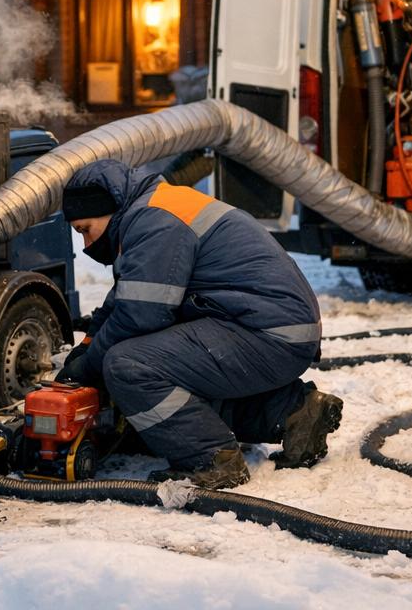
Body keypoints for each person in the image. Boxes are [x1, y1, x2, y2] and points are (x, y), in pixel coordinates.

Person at [56, 159, 343, 489]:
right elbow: (123, 300)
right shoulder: (153, 209)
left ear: (108, 208)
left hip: (266, 334)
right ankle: (294, 414)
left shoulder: (155, 222)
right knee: (174, 370)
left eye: (85, 230)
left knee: (129, 366)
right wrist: (86, 350)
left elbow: (141, 315)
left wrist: (91, 367)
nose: (87, 245)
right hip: (274, 329)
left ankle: (211, 459)